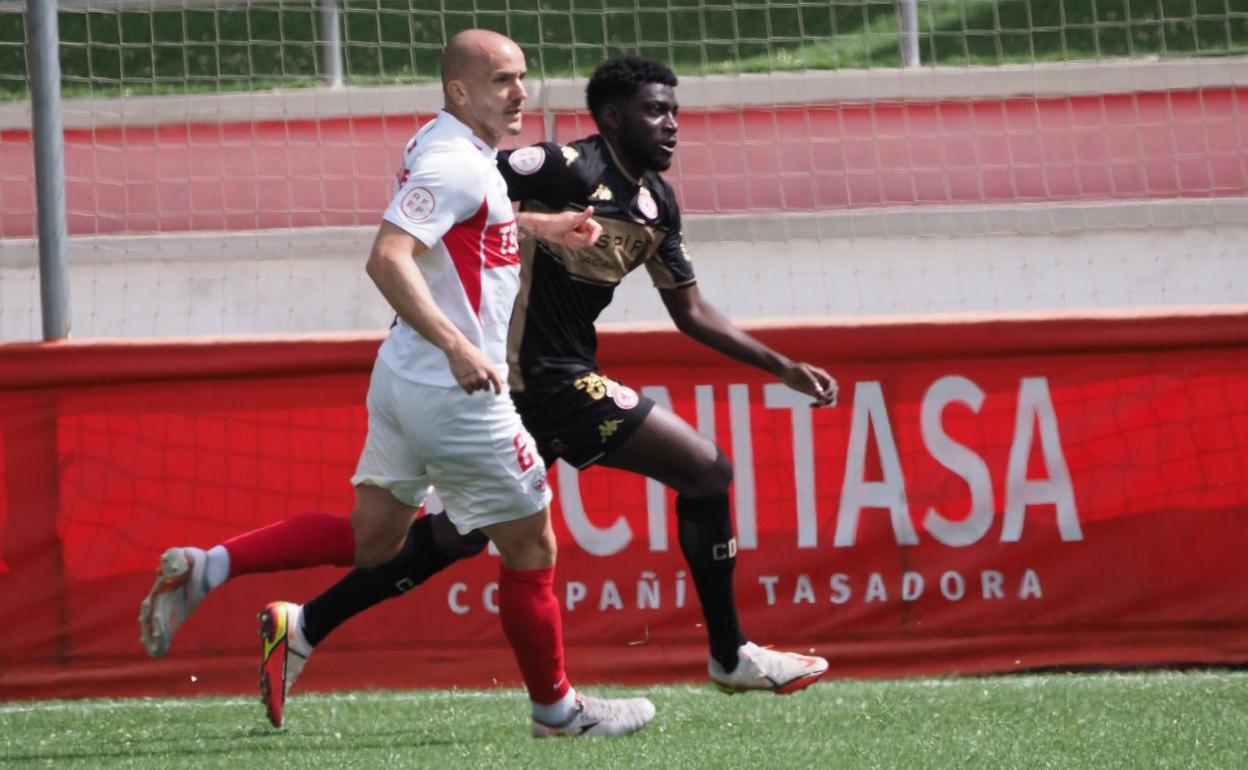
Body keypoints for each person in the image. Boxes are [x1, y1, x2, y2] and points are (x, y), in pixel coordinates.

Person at [250, 54, 837, 720]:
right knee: (706, 470)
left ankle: (302, 628)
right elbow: (465, 196)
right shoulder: (562, 166)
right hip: (535, 378)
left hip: (533, 389)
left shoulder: (657, 204)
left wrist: (779, 365)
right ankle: (726, 656)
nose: (670, 124)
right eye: (654, 110)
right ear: (613, 116)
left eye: (675, 110)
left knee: (456, 538)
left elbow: (691, 311)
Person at [139, 29, 654, 739]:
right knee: (532, 546)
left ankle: (208, 568)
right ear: (459, 90)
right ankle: (557, 710)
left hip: (401, 378)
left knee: (373, 540)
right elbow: (387, 258)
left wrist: (541, 224)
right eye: (502, 80)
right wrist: (457, 347)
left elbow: (464, 227)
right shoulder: (455, 163)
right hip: (453, 390)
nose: (520, 93)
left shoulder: (445, 147)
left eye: (522, 77)